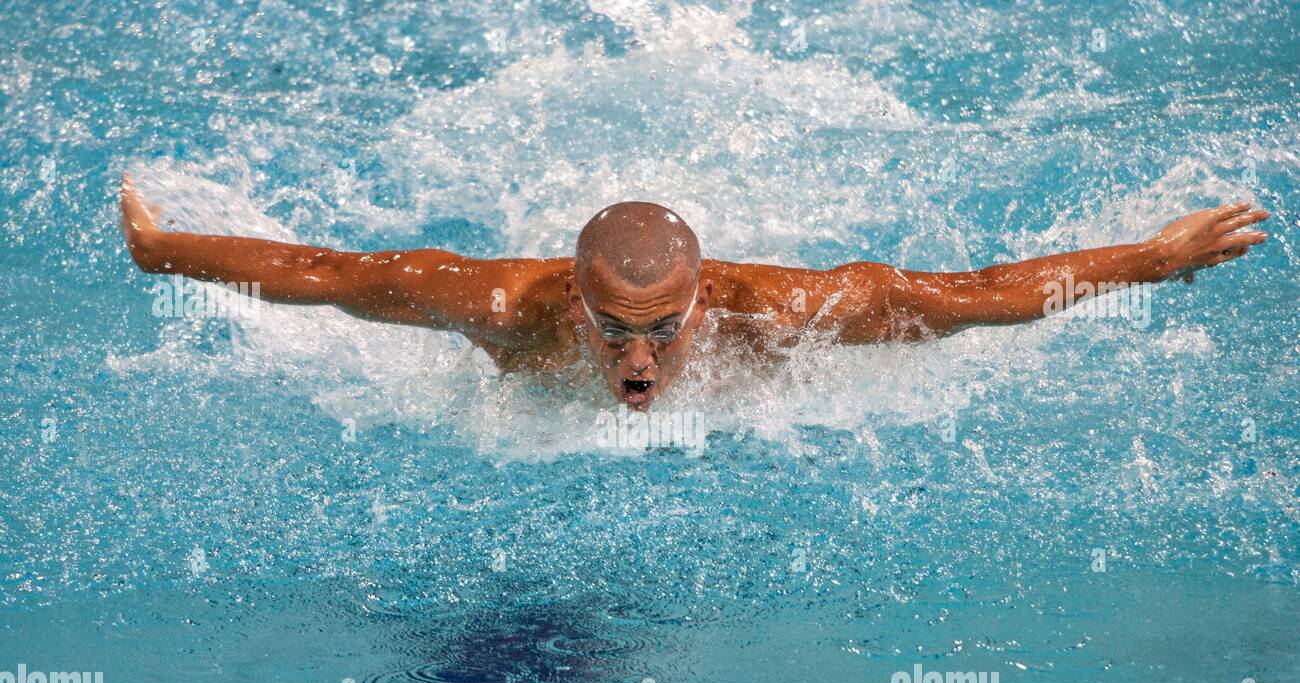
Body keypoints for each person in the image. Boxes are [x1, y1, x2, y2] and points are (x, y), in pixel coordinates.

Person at [120, 174, 1267, 409]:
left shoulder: (786, 311)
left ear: (701, 300)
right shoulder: (496, 303)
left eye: (660, 332)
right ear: (569, 299)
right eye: (614, 332)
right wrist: (162, 250)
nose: (636, 363)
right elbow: (330, 274)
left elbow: (974, 295)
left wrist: (1153, 261)